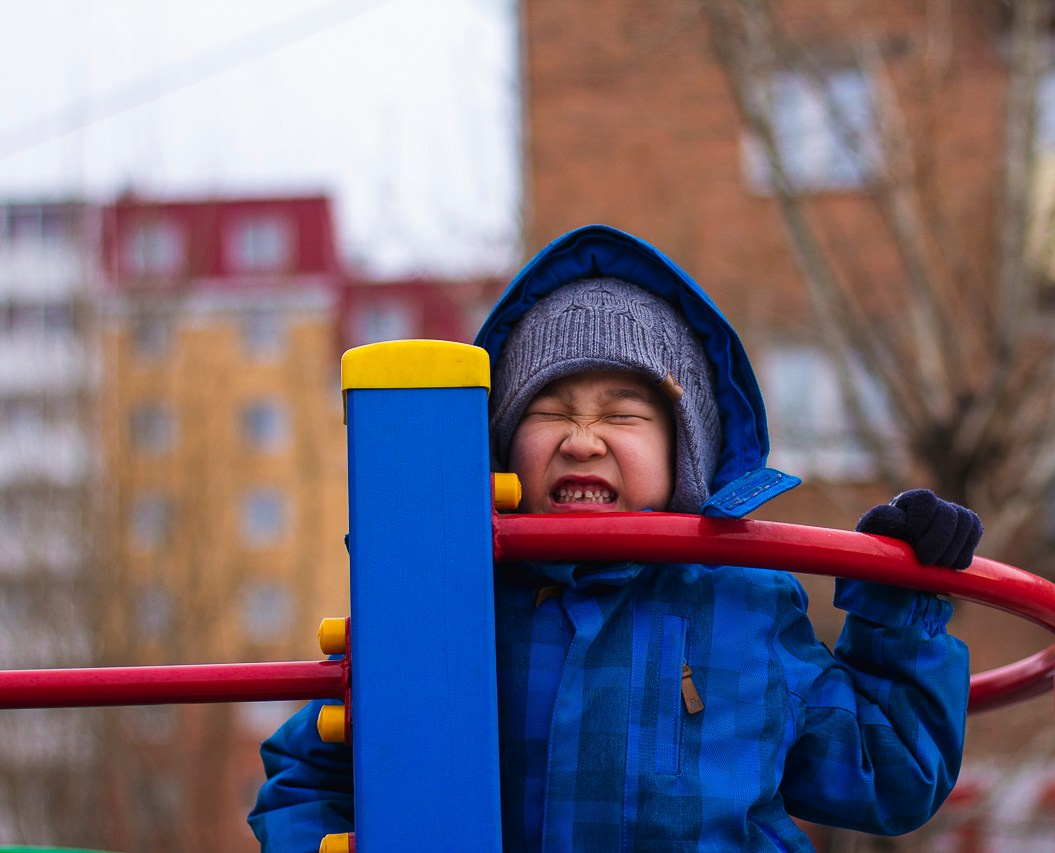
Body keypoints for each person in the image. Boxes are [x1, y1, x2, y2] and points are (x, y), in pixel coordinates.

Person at [249, 224, 981, 852]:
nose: (582, 439)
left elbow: (893, 774)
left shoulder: (746, 606)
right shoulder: (449, 607)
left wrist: (898, 604)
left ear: (683, 455)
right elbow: (306, 776)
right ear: (501, 454)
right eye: (551, 410)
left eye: (623, 413)